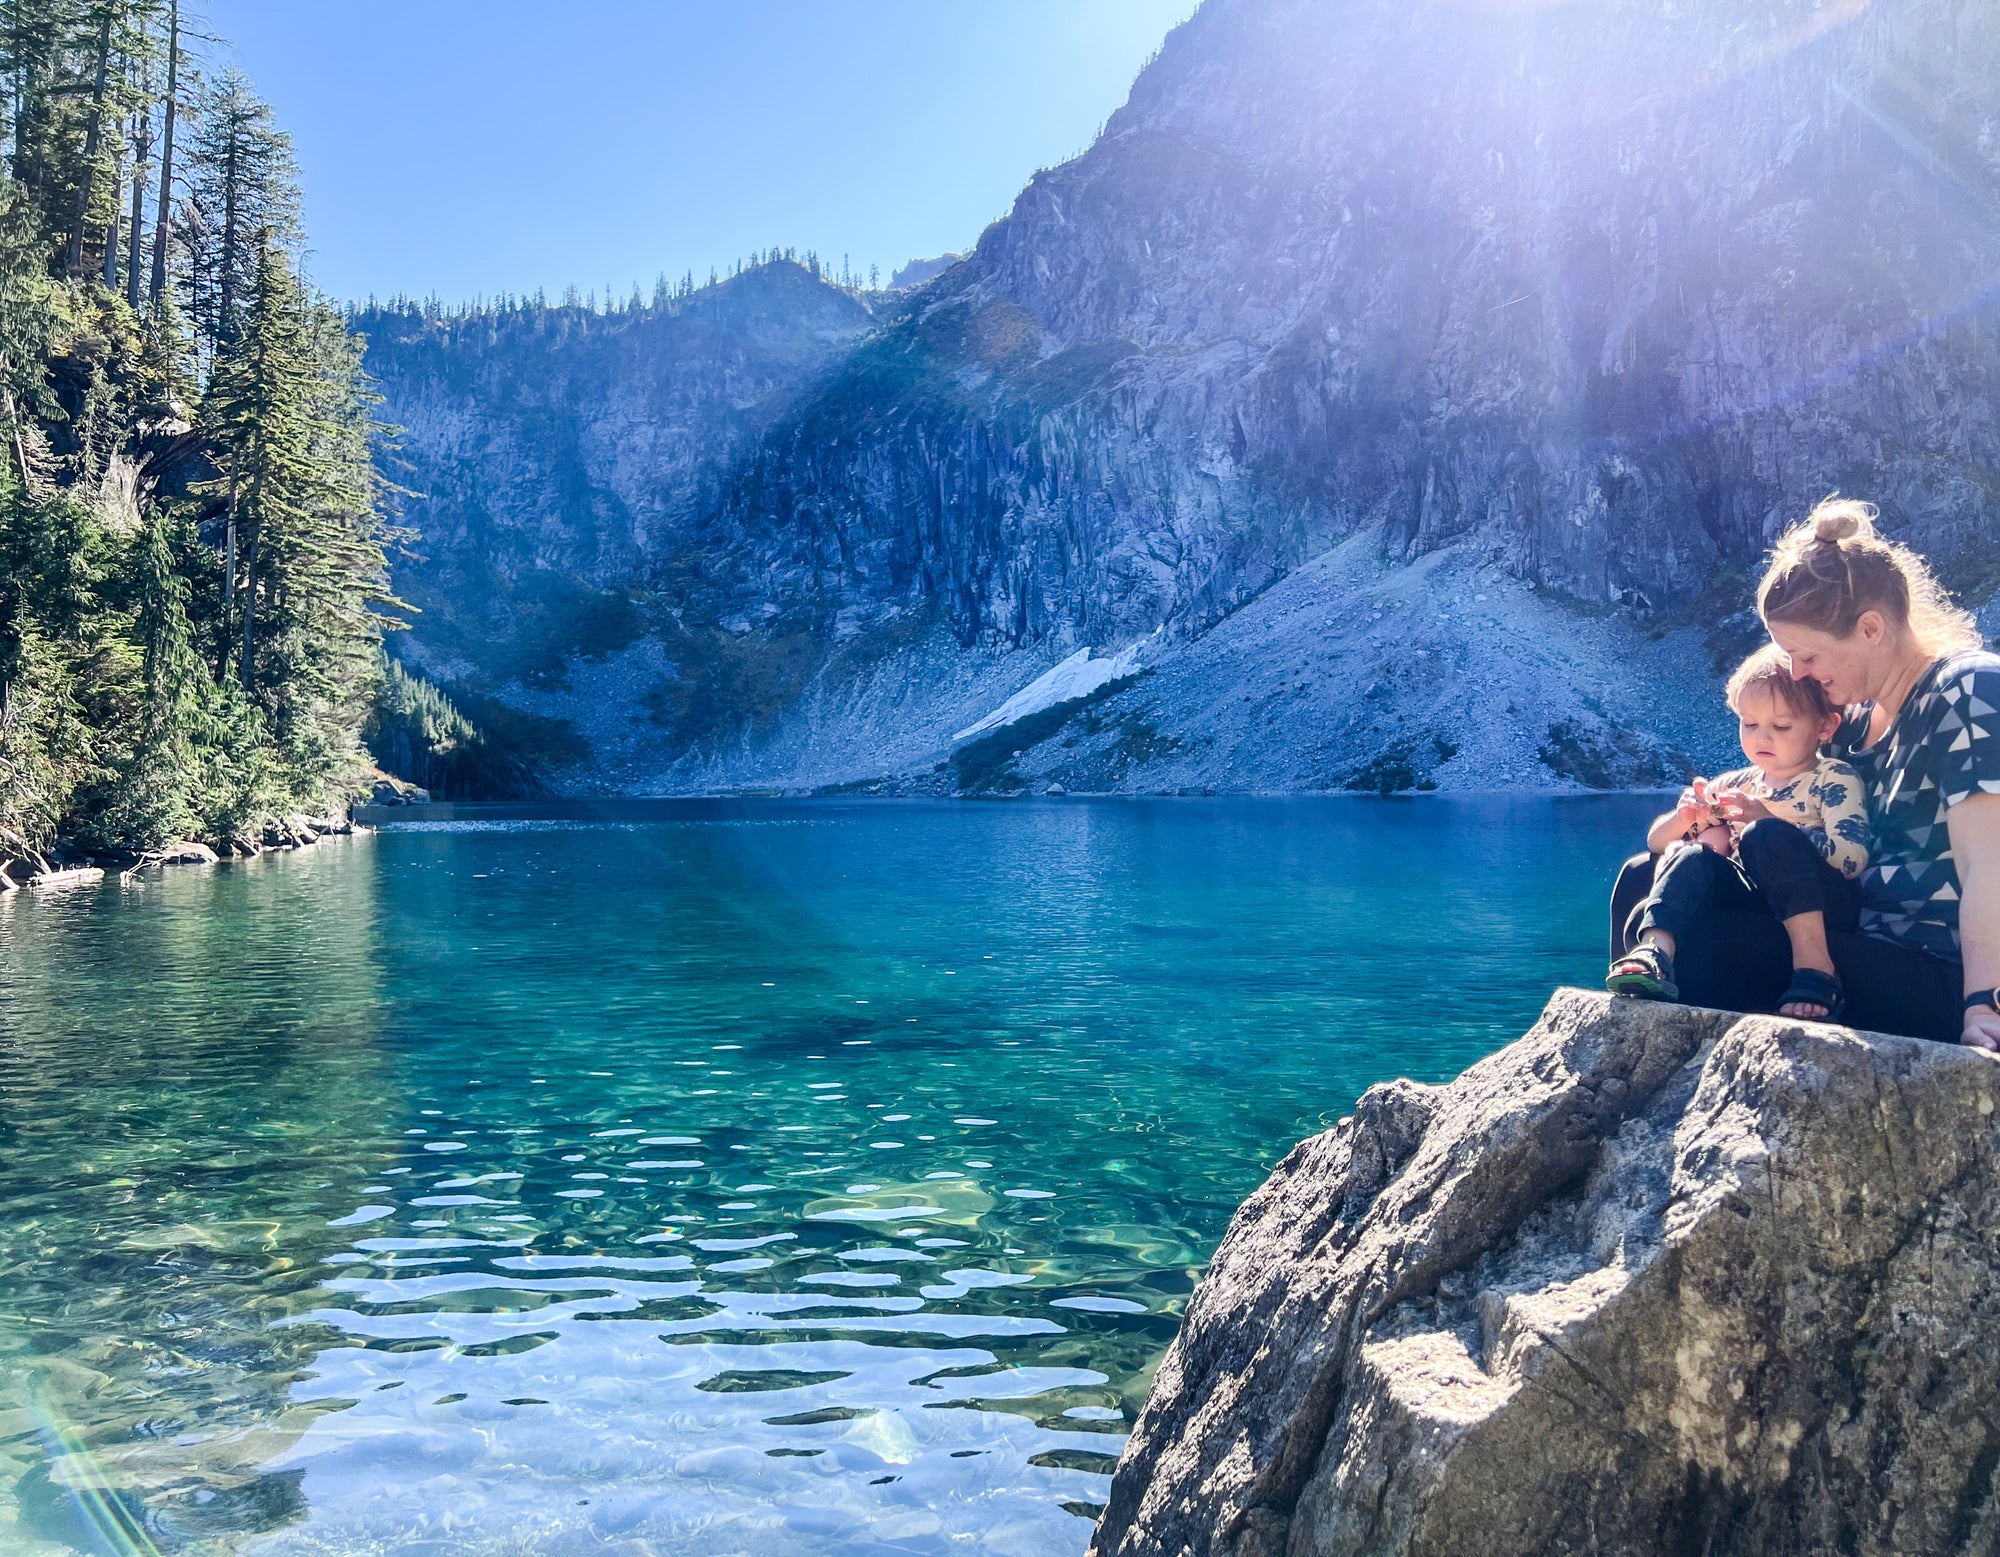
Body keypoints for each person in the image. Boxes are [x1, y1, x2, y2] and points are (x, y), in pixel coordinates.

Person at [1609, 497, 2000, 1051]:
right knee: (1640, 878)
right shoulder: (1848, 720)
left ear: (1870, 629)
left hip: (1931, 968)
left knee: (1693, 939)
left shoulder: (1968, 689)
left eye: (1807, 655)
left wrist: (1985, 1005)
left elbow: (1992, 865)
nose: (1796, 673)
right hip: (1849, 938)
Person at [1608, 646, 1870, 1019]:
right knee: (1670, 859)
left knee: (1766, 836)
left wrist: (1768, 821)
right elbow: (1657, 843)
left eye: (1780, 726)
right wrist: (1686, 819)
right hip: (1753, 912)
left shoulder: (1832, 778)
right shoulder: (1738, 783)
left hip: (1821, 909)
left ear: (1824, 727)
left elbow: (1850, 859)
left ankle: (1817, 970)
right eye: (1750, 724)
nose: (1762, 738)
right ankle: (1651, 957)